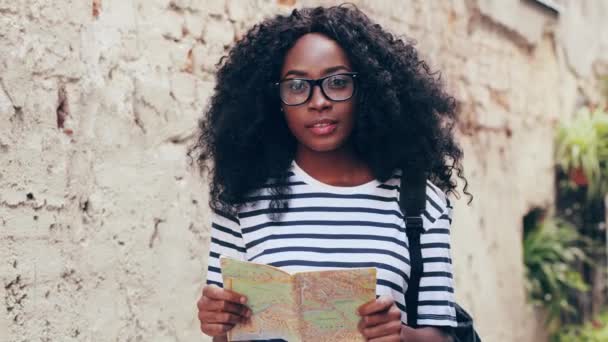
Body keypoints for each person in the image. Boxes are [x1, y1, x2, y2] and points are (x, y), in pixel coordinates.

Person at [193, 4, 471, 342]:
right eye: (297, 86)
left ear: (366, 88)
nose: (319, 101)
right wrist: (217, 324)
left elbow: (443, 336)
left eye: (337, 82)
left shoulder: (418, 201)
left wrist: (398, 334)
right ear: (274, 100)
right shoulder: (242, 198)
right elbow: (231, 336)